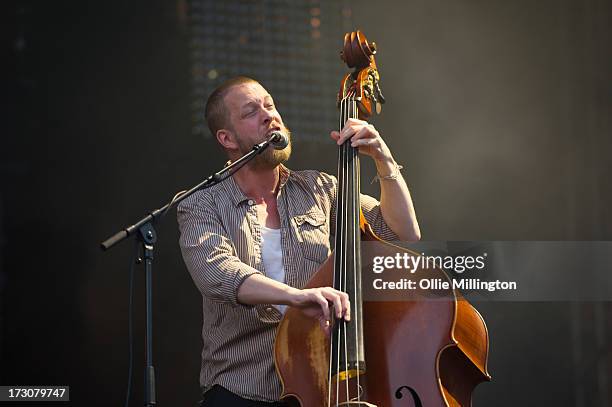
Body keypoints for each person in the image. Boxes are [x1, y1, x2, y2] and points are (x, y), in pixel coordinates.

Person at [177, 76, 420, 406]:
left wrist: (384, 159)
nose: (269, 116)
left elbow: (401, 231)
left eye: (270, 105)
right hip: (242, 389)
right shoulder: (201, 204)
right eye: (251, 112)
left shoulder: (320, 189)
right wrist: (298, 297)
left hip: (319, 381)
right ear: (227, 138)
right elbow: (218, 274)